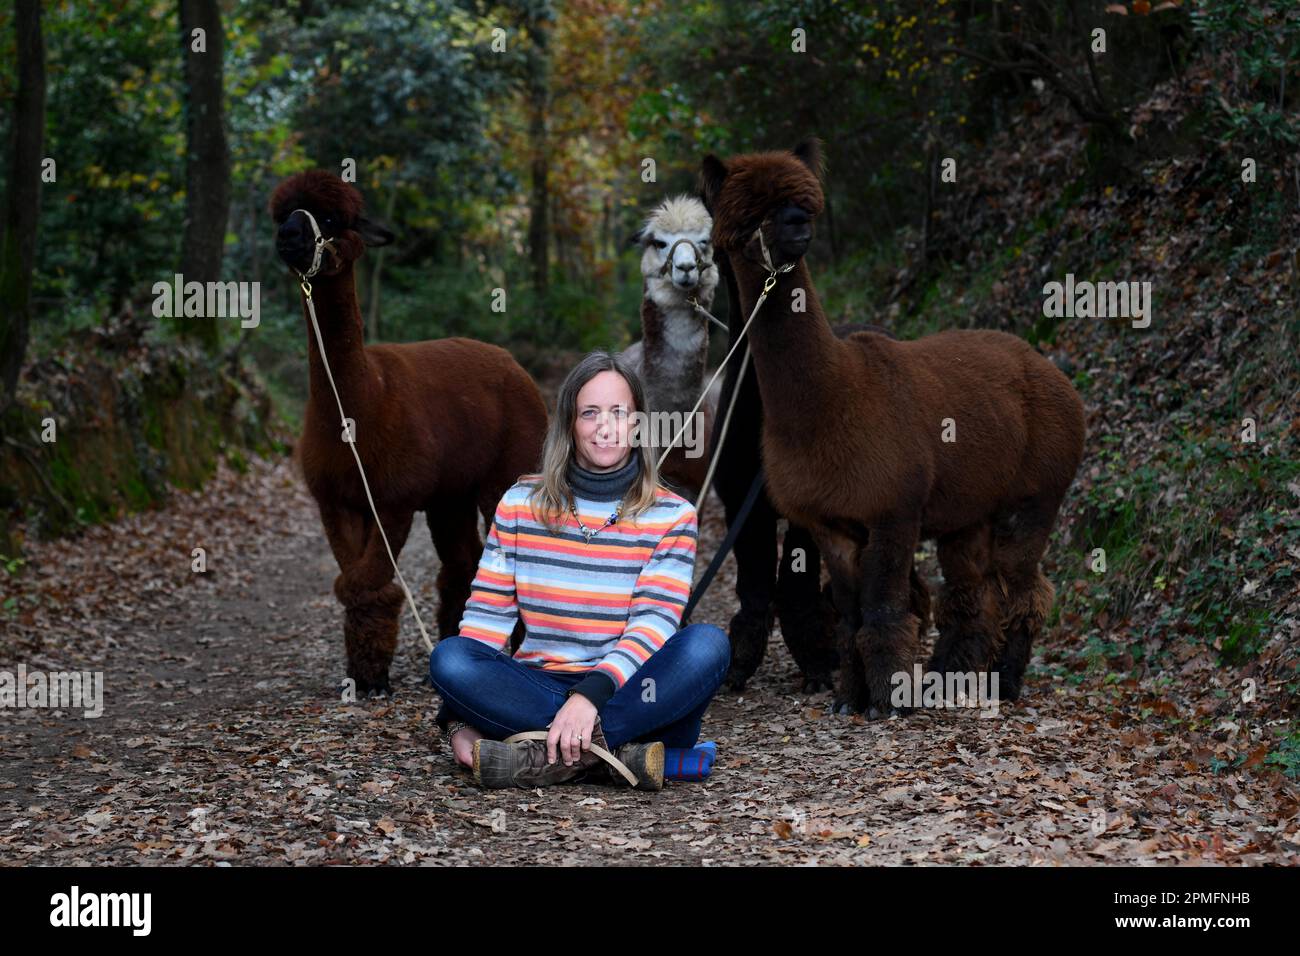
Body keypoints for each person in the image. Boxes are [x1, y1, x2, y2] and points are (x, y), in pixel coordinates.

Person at [427, 350, 730, 790]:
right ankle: (616, 755)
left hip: (632, 689)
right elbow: (486, 622)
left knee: (708, 645)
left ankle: (545, 756)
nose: (605, 427)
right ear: (570, 423)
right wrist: (457, 717)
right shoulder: (520, 505)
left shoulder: (672, 514)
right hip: (535, 687)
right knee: (449, 659)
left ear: (638, 423)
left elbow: (653, 624)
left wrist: (590, 698)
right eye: (590, 413)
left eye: (618, 412)